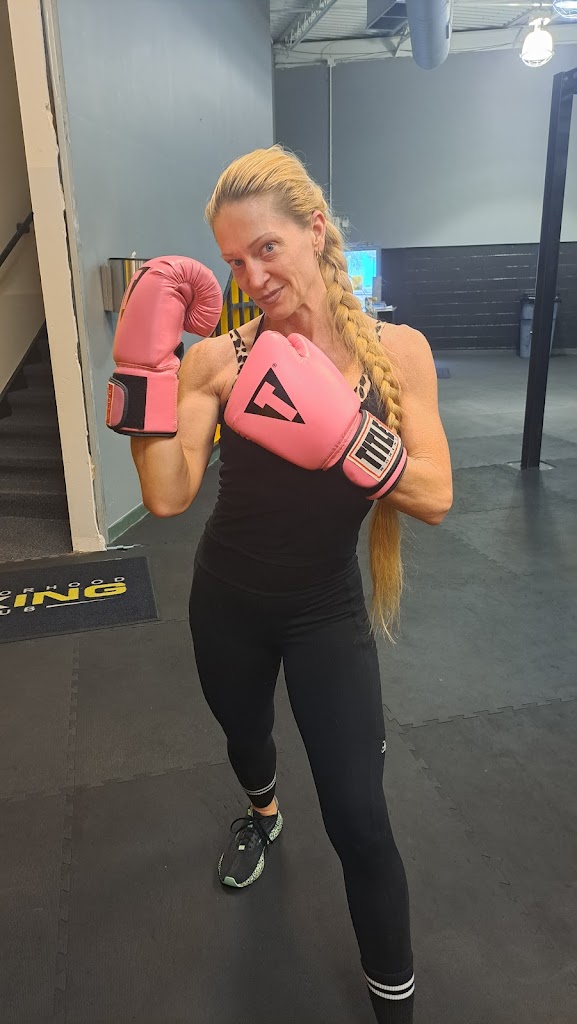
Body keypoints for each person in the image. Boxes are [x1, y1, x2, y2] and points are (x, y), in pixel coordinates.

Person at [107, 145, 452, 1024]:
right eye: (233, 261)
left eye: (266, 248)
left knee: (360, 822)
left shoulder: (398, 352)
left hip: (324, 613)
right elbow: (167, 494)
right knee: (246, 739)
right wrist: (142, 380)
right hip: (226, 601)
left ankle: (395, 1008)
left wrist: (345, 435)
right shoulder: (218, 361)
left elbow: (434, 496)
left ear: (315, 231)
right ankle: (261, 814)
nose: (252, 276)